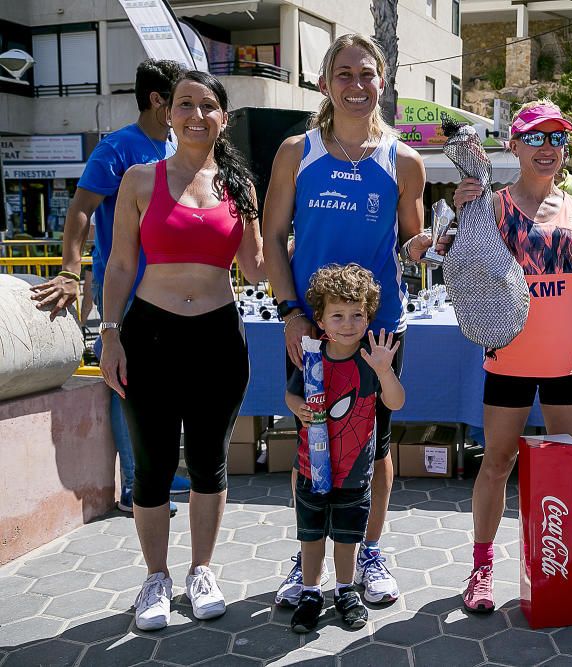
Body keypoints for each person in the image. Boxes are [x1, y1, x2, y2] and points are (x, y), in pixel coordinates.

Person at [262, 33, 441, 608]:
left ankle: (367, 551)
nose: (356, 85)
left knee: (374, 445)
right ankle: (308, 553)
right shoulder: (297, 151)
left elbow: (412, 238)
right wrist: (290, 314)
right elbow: (271, 237)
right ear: (324, 83)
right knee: (312, 437)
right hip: (312, 327)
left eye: (367, 75)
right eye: (344, 74)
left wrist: (428, 244)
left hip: (379, 326)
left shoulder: (404, 159)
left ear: (382, 83)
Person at [98, 70, 265, 631]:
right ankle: (155, 579)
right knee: (151, 466)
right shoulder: (140, 180)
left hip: (218, 337)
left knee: (210, 462)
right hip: (149, 336)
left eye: (208, 106)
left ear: (224, 117)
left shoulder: (239, 187)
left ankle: (201, 571)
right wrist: (110, 333)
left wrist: (297, 229)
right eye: (185, 104)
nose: (197, 115)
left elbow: (257, 266)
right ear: (167, 113)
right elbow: (121, 265)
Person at [453, 100, 572, 614]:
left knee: (567, 467)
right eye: (535, 137)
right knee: (497, 464)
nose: (548, 147)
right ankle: (482, 566)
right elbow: (462, 268)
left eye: (556, 137)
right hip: (508, 356)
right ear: (514, 145)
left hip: (566, 361)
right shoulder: (489, 206)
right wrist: (465, 212)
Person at [30, 59, 191, 513]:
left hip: (171, 289)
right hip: (126, 288)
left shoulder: (175, 146)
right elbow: (81, 209)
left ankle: (156, 470)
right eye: (180, 99)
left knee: (164, 385)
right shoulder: (117, 149)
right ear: (158, 101)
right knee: (130, 384)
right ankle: (135, 486)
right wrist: (68, 269)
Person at [284, 263, 405, 633]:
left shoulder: (371, 359)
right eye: (337, 315)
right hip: (311, 467)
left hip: (354, 472)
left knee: (348, 535)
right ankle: (309, 591)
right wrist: (297, 408)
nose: (349, 323)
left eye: (357, 314)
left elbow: (396, 402)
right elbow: (291, 394)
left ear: (368, 317)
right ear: (320, 319)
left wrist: (385, 371)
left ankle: (344, 590)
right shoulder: (312, 356)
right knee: (311, 533)